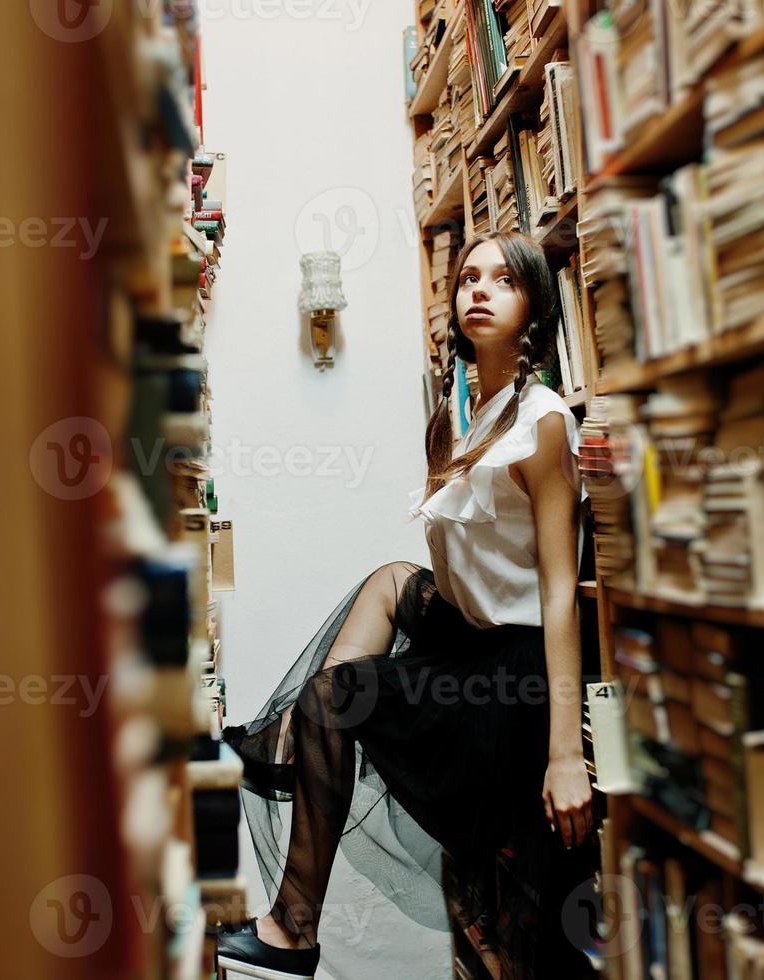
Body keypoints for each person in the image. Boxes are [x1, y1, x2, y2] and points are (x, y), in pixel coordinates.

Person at [218, 230, 596, 979]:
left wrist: (565, 755)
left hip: (509, 668)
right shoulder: (470, 406)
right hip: (468, 628)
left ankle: (295, 927)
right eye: (466, 279)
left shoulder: (542, 421)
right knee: (393, 576)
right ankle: (290, 740)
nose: (478, 291)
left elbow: (557, 591)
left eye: (502, 281)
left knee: (334, 697)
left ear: (533, 308)